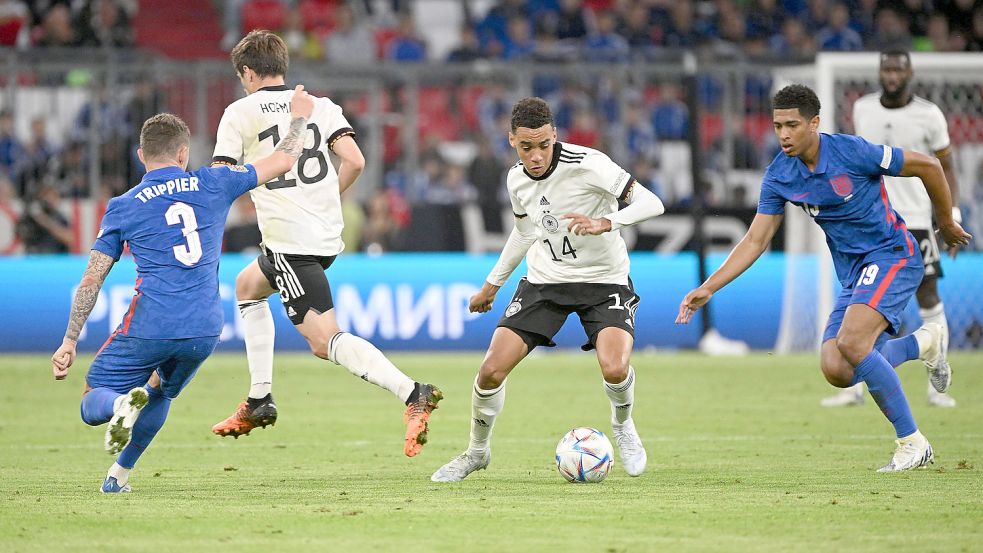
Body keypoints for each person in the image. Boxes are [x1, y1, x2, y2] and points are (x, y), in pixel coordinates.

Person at [676, 84, 971, 472]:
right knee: (837, 368)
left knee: (851, 341)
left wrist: (946, 221)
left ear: (814, 122)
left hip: (893, 255)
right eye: (778, 125)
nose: (783, 134)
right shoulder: (780, 174)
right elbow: (755, 240)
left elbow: (929, 166)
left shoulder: (852, 151)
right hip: (854, 273)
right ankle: (925, 343)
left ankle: (912, 442)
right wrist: (708, 287)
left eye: (792, 125)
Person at [50, 90, 314, 493]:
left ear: (141, 156)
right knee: (160, 392)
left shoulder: (124, 204)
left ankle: (119, 406)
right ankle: (118, 478)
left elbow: (92, 279)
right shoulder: (214, 181)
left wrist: (70, 339)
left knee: (92, 399)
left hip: (151, 323)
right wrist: (297, 118)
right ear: (183, 154)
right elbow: (283, 158)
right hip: (205, 328)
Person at [210, 30, 441, 458]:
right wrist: (325, 198)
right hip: (326, 236)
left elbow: (221, 176)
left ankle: (413, 393)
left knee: (323, 341)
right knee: (247, 287)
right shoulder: (321, 105)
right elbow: (355, 160)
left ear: (246, 71)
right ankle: (259, 399)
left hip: (289, 241)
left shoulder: (239, 112)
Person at [431, 97, 667, 482]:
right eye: (527, 147)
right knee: (490, 371)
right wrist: (492, 284)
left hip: (604, 280)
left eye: (544, 144)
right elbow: (525, 232)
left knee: (614, 366)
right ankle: (476, 452)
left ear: (555, 136)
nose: (537, 155)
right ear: (511, 141)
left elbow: (652, 202)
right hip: (545, 282)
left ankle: (623, 426)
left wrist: (606, 221)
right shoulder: (516, 179)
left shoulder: (590, 164)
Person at [822, 50, 961, 408]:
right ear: (880, 72)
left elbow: (945, 167)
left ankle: (936, 382)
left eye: (899, 68)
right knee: (860, 305)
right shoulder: (863, 108)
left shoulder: (929, 115)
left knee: (928, 296)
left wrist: (951, 216)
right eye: (887, 68)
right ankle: (851, 388)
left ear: (910, 71)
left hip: (915, 219)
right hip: (874, 223)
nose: (892, 75)